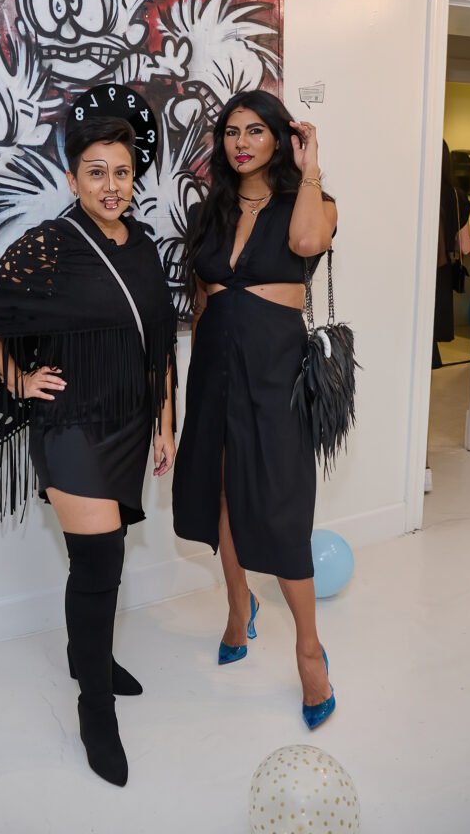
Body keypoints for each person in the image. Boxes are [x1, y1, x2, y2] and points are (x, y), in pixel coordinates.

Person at [0, 116, 177, 786]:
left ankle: (91, 659)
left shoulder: (140, 244)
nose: (111, 186)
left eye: (122, 172)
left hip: (130, 422)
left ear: (134, 179)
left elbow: (157, 340)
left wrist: (165, 421)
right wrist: (19, 379)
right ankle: (94, 703)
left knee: (102, 560)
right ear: (74, 178)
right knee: (99, 557)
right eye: (96, 172)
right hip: (70, 422)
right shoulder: (50, 245)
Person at [172, 90, 338, 729]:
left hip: (275, 372)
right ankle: (240, 608)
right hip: (215, 367)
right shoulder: (209, 211)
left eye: (256, 131)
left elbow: (304, 240)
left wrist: (313, 163)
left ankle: (308, 648)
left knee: (280, 504)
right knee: (220, 495)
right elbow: (203, 301)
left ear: (279, 138)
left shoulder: (311, 202)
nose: (242, 142)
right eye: (232, 132)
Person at [432, 140, 470, 370]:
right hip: (441, 271)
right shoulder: (456, 196)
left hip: (414, 269)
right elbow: (465, 247)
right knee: (431, 333)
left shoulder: (415, 191)